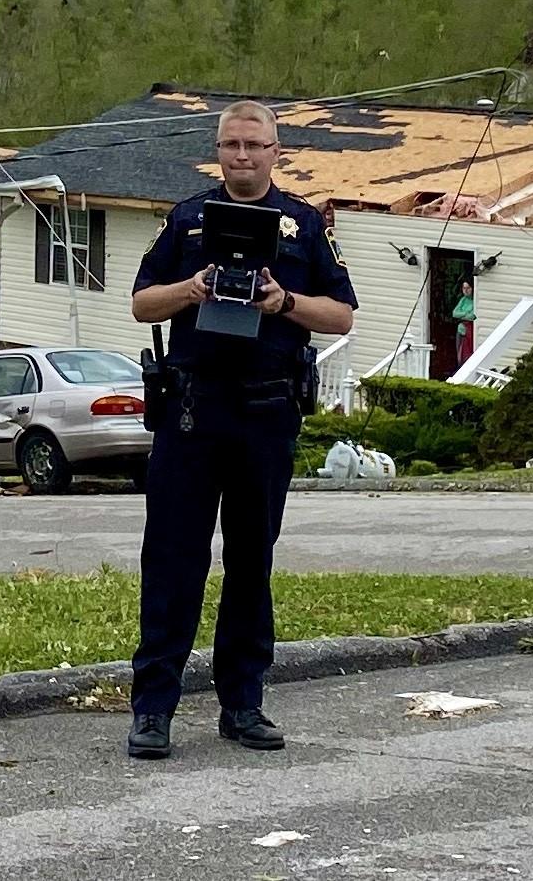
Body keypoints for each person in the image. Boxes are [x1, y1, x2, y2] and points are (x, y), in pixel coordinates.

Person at [122, 100, 357, 760]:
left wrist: (281, 301)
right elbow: (142, 303)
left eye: (254, 145)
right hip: (191, 414)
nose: (242, 156)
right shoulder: (187, 219)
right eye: (231, 145)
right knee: (171, 563)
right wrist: (192, 288)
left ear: (276, 151)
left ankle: (243, 704)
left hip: (264, 412)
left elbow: (339, 317)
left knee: (250, 563)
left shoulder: (303, 226)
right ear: (217, 150)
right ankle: (152, 710)